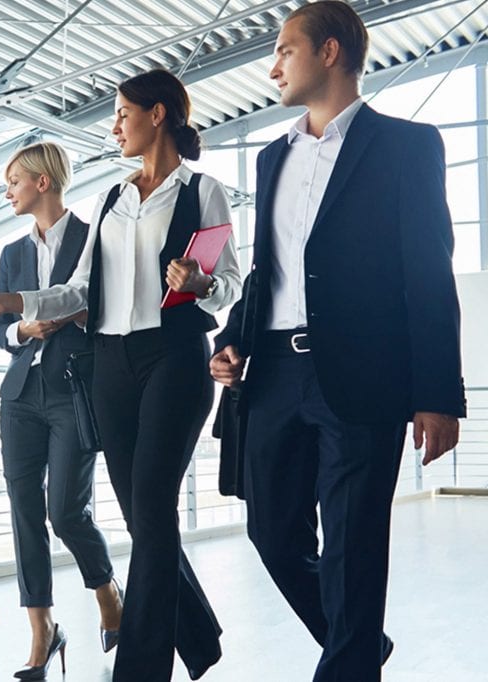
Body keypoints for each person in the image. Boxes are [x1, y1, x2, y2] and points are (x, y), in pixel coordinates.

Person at [0, 69, 241, 682]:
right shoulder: (112, 197)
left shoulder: (203, 192)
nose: (114, 126)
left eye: (122, 114)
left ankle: (138, 668)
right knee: (142, 517)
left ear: (157, 115)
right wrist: (8, 304)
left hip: (173, 356)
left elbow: (230, 287)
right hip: (112, 365)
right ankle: (200, 636)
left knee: (154, 507)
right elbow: (79, 291)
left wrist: (202, 284)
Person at [208, 2, 465, 680]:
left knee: (354, 549)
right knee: (271, 533)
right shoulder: (271, 158)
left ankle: (349, 659)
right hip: (273, 377)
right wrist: (232, 338)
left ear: (328, 53)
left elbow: (429, 274)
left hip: (362, 379)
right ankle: (359, 644)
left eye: (284, 51)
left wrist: (439, 395)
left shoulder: (408, 147)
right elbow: (270, 270)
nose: (271, 67)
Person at [0, 141, 123, 680]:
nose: (8, 191)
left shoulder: (97, 240)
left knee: (66, 511)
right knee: (24, 512)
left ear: (42, 182)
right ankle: (43, 629)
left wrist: (69, 318)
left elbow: (112, 309)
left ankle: (108, 590)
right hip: (20, 394)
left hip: (74, 391)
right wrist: (21, 328)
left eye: (15, 181)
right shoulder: (11, 254)